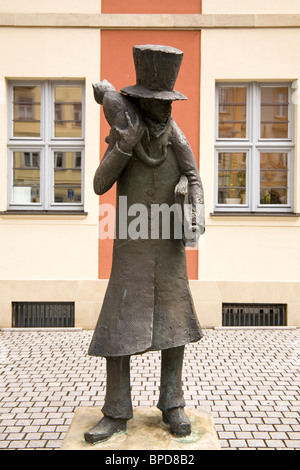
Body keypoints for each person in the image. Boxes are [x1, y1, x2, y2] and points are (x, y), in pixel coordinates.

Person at [84, 45, 205, 444]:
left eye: (165, 103)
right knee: (118, 326)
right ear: (139, 102)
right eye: (153, 104)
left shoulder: (177, 138)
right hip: (133, 246)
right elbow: (101, 184)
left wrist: (193, 205)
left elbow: (196, 178)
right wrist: (123, 144)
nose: (161, 111)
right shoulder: (126, 131)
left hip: (168, 244)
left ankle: (173, 403)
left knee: (175, 324)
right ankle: (116, 411)